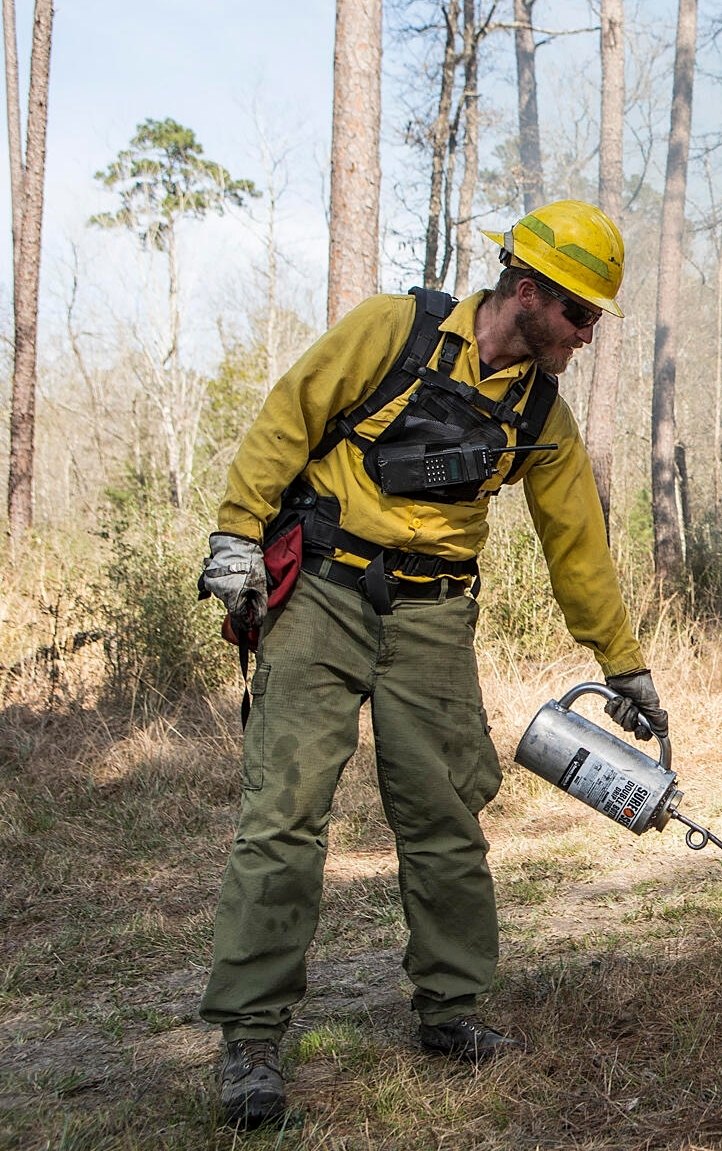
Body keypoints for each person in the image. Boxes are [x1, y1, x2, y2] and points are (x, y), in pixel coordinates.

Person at [195, 200, 668, 1128]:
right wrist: (236, 534)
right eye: (580, 317)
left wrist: (624, 665)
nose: (585, 337)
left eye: (594, 323)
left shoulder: (539, 410)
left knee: (447, 816)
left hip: (435, 618)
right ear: (528, 293)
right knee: (283, 816)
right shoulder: (393, 330)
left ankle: (451, 1011)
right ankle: (250, 1039)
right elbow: (290, 415)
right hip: (324, 594)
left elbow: (578, 543)